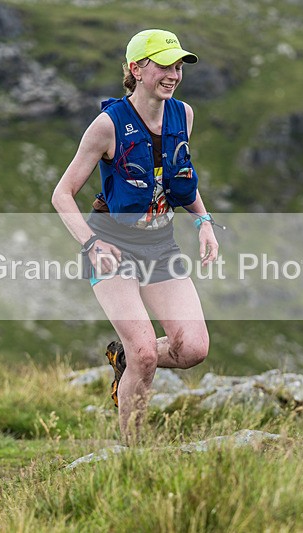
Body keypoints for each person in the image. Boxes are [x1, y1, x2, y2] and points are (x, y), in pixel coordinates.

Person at [52, 29, 219, 444]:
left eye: (178, 65)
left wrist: (203, 221)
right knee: (147, 352)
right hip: (112, 247)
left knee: (193, 348)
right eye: (164, 65)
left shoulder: (185, 114)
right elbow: (61, 195)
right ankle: (134, 453)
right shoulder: (107, 125)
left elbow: (175, 178)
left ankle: (125, 358)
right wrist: (91, 243)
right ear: (135, 68)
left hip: (161, 244)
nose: (174, 74)